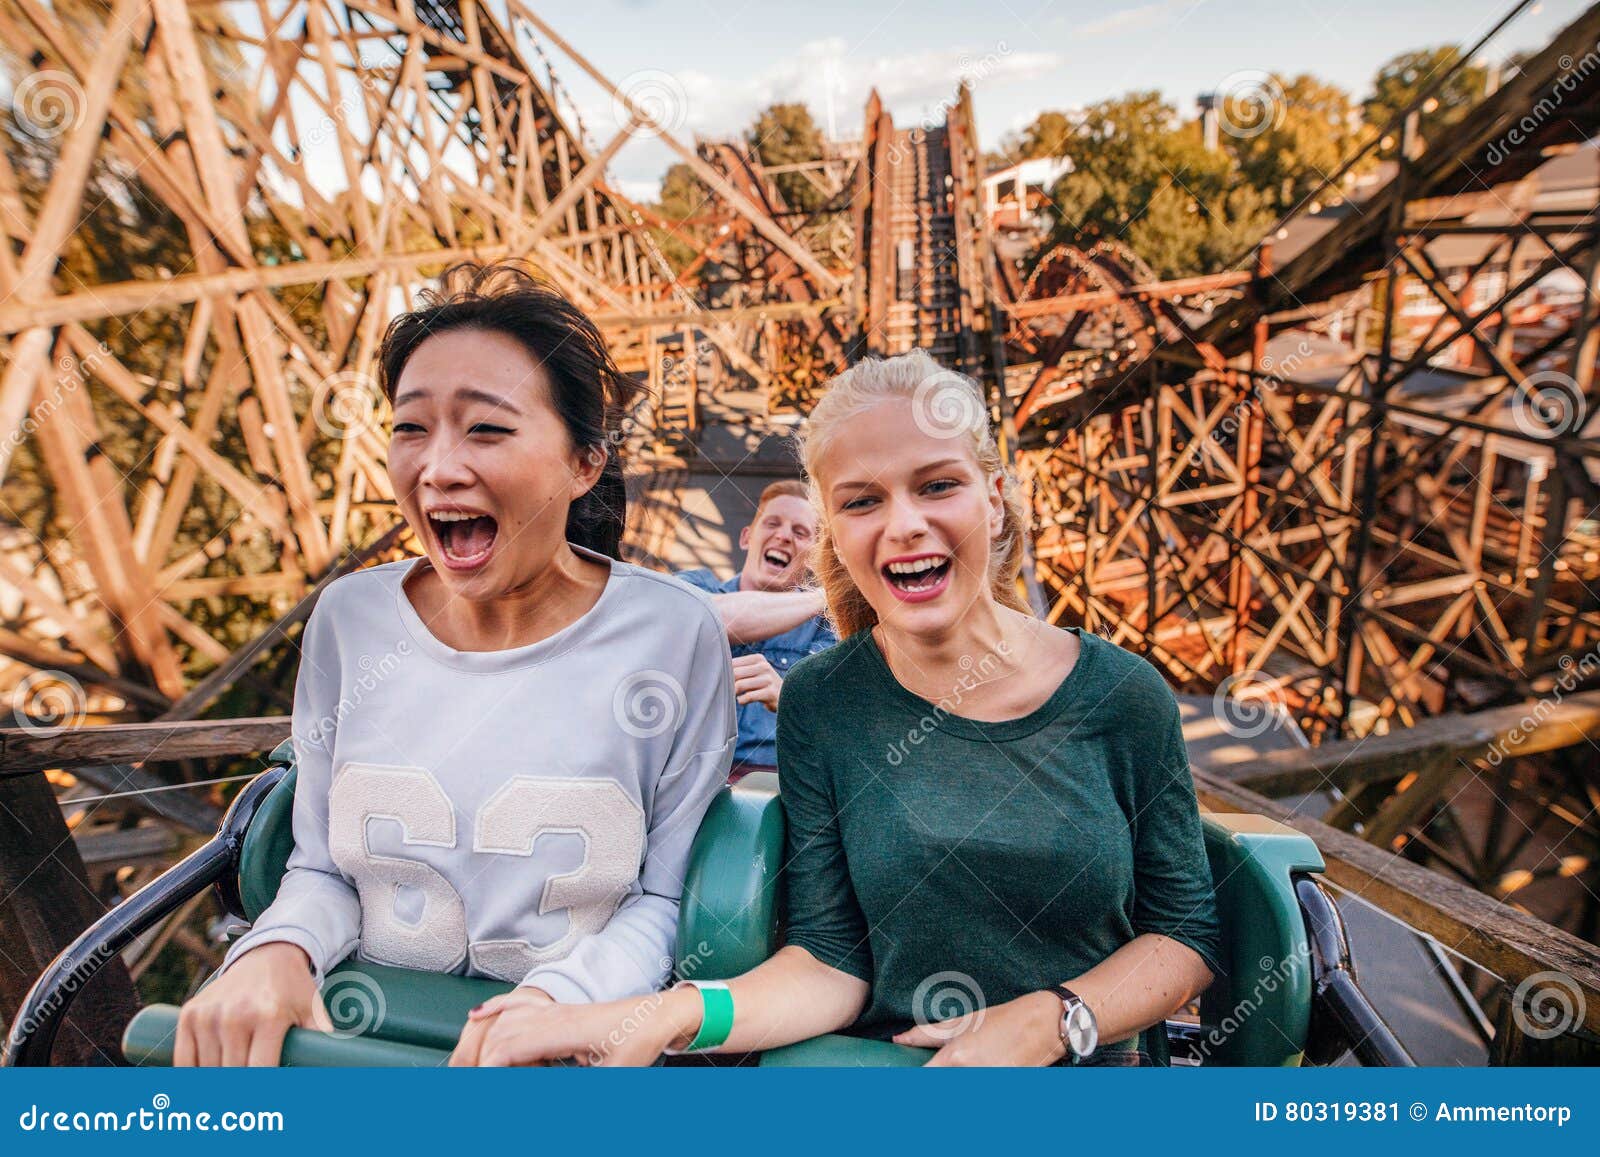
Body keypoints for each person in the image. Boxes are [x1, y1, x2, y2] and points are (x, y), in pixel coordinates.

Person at [459, 348, 1223, 1067]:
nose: (903, 524)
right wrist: (654, 1015)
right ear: (839, 534)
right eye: (863, 501)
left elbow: (1186, 936)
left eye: (937, 485)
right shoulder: (826, 702)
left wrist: (1047, 1020)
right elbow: (832, 964)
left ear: (994, 501)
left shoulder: (1123, 694)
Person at [172, 262, 734, 1067]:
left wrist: (558, 1004)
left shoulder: (674, 635)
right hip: (362, 1046)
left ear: (585, 463)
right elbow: (324, 866)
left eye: (487, 430)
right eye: (410, 428)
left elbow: (668, 896)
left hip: (566, 1059)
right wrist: (277, 949)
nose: (437, 468)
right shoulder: (349, 621)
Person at [676, 480, 836, 776]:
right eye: (772, 523)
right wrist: (829, 595)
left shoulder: (825, 630)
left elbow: (836, 729)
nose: (784, 536)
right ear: (747, 537)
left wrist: (790, 700)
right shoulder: (695, 587)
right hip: (684, 779)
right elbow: (707, 618)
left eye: (800, 532)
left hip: (772, 786)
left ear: (814, 557)